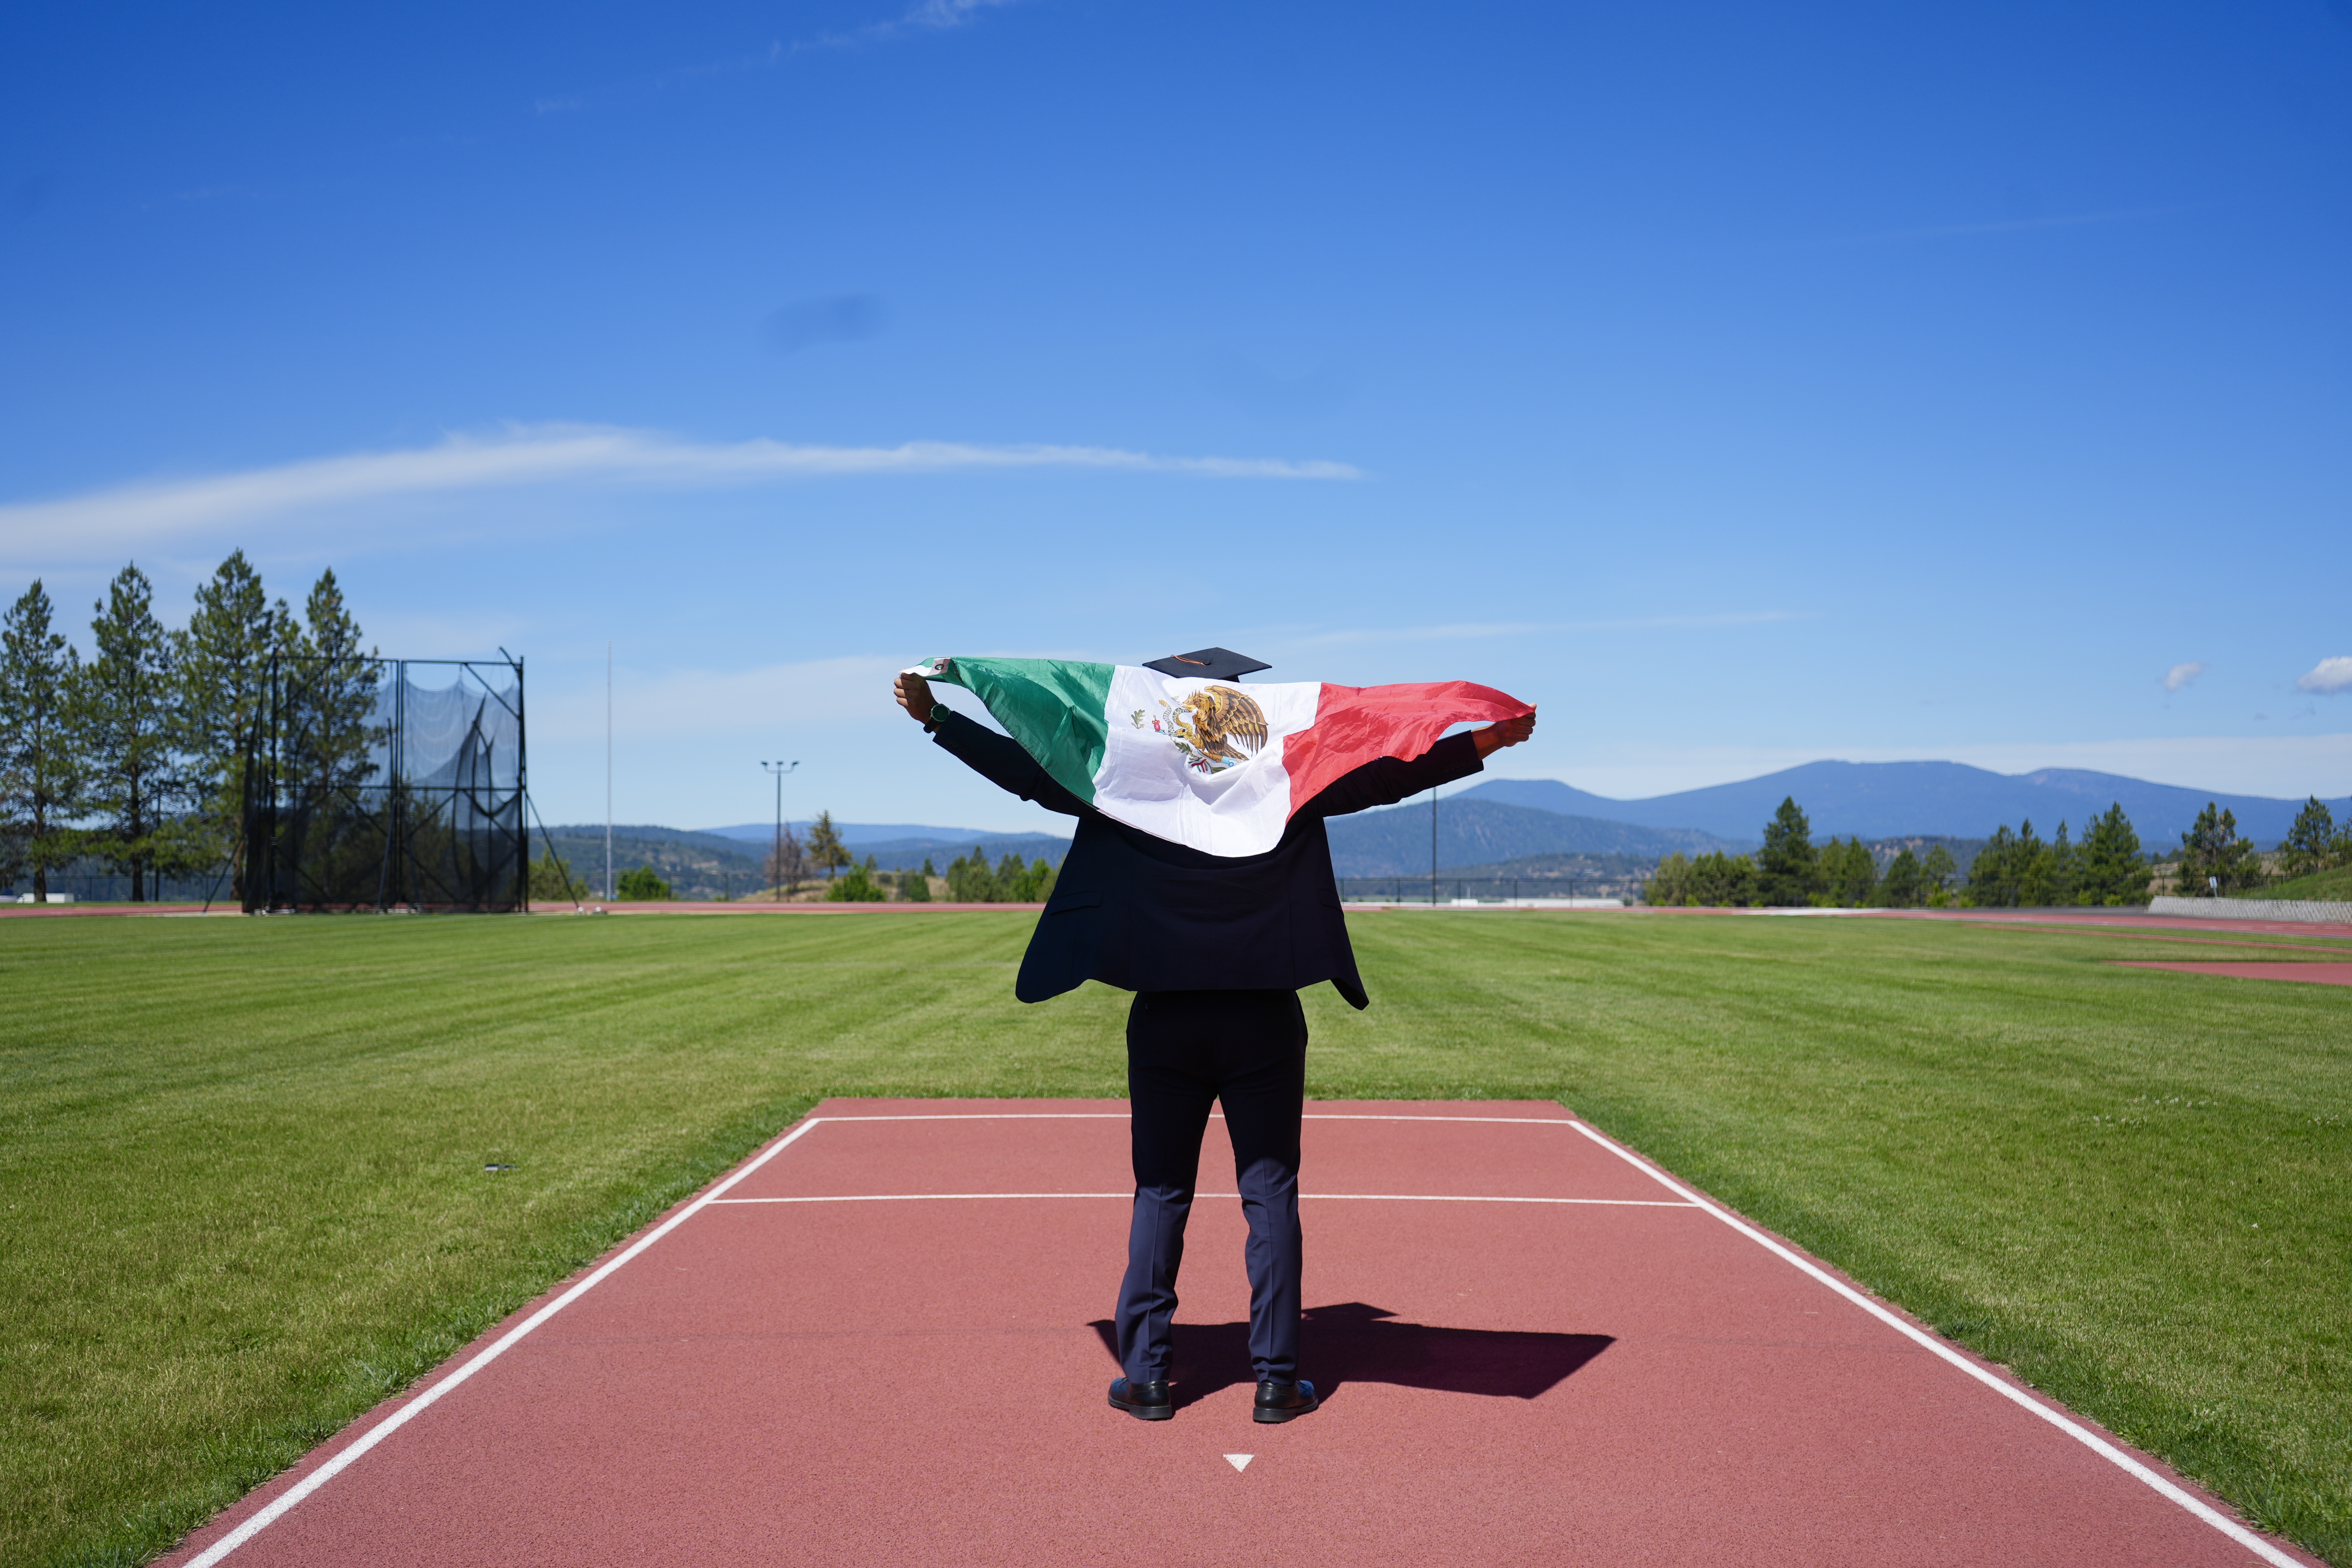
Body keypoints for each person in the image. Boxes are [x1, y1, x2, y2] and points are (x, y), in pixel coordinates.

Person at [893, 663, 1535, 1423]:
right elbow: (1384, 777)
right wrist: (1486, 740)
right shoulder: (1290, 776)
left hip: (1166, 1015)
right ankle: (1275, 1379)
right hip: (1264, 1013)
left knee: (1161, 1189)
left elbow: (1028, 772)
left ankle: (1149, 1376)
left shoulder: (1129, 778)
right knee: (1270, 1190)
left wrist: (938, 718)